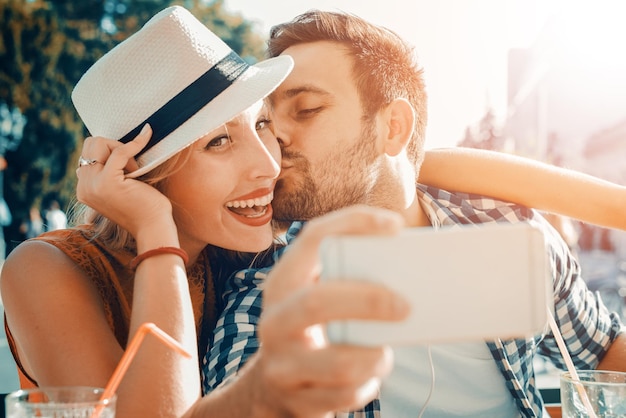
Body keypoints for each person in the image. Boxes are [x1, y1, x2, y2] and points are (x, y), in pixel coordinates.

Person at [204, 10, 625, 417]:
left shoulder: (504, 230)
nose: (273, 136)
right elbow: (242, 394)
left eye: (307, 108)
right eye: (265, 118)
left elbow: (602, 351)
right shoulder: (272, 283)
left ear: (393, 128)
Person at [1, 6, 411, 418]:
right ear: (148, 176)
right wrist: (153, 226)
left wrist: (413, 153)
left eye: (262, 125)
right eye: (218, 142)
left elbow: (384, 174)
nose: (269, 165)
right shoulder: (44, 268)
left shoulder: (247, 254)